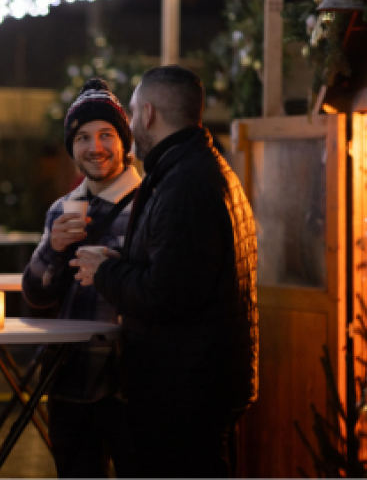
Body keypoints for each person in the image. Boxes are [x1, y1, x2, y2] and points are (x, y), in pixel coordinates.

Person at [71, 65, 259, 477]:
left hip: (185, 389)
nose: (133, 122)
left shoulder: (186, 184)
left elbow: (168, 294)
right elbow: (181, 272)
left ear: (149, 113)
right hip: (196, 380)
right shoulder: (193, 170)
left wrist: (105, 272)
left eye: (134, 111)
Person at [21, 78, 141, 478]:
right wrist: (51, 249)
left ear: (124, 141)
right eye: (84, 138)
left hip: (132, 379)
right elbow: (36, 295)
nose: (96, 147)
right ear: (72, 148)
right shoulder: (62, 209)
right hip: (70, 375)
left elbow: (165, 286)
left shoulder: (148, 205)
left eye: (107, 134)